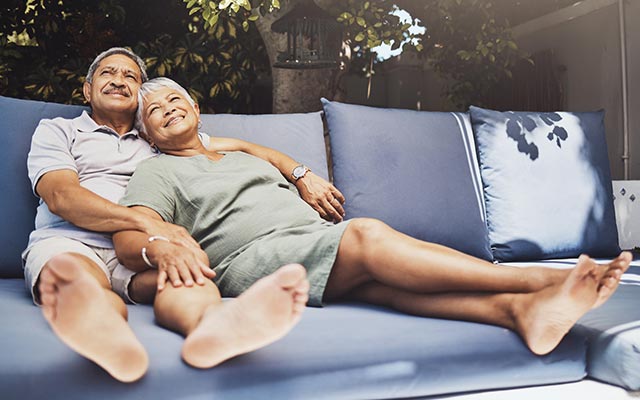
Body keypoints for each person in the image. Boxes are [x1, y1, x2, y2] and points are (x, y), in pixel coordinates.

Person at [114, 77, 633, 360]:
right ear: (149, 135)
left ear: (197, 109)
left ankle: (517, 313)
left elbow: (264, 155)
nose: (166, 107)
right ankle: (546, 280)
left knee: (382, 286)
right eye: (153, 109)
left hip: (309, 241)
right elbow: (133, 230)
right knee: (364, 235)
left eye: (175, 98)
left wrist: (299, 174)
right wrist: (157, 248)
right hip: (251, 260)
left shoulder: (238, 153)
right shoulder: (155, 172)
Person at [24, 47, 343, 382]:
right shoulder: (59, 130)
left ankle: (211, 329)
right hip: (73, 241)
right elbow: (62, 196)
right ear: (87, 89)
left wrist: (301, 175)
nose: (119, 80)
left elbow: (247, 148)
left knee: (191, 278)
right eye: (108, 73)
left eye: (130, 76)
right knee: (84, 285)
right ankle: (110, 342)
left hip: (141, 249)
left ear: (138, 97)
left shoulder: (158, 137)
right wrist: (147, 222)